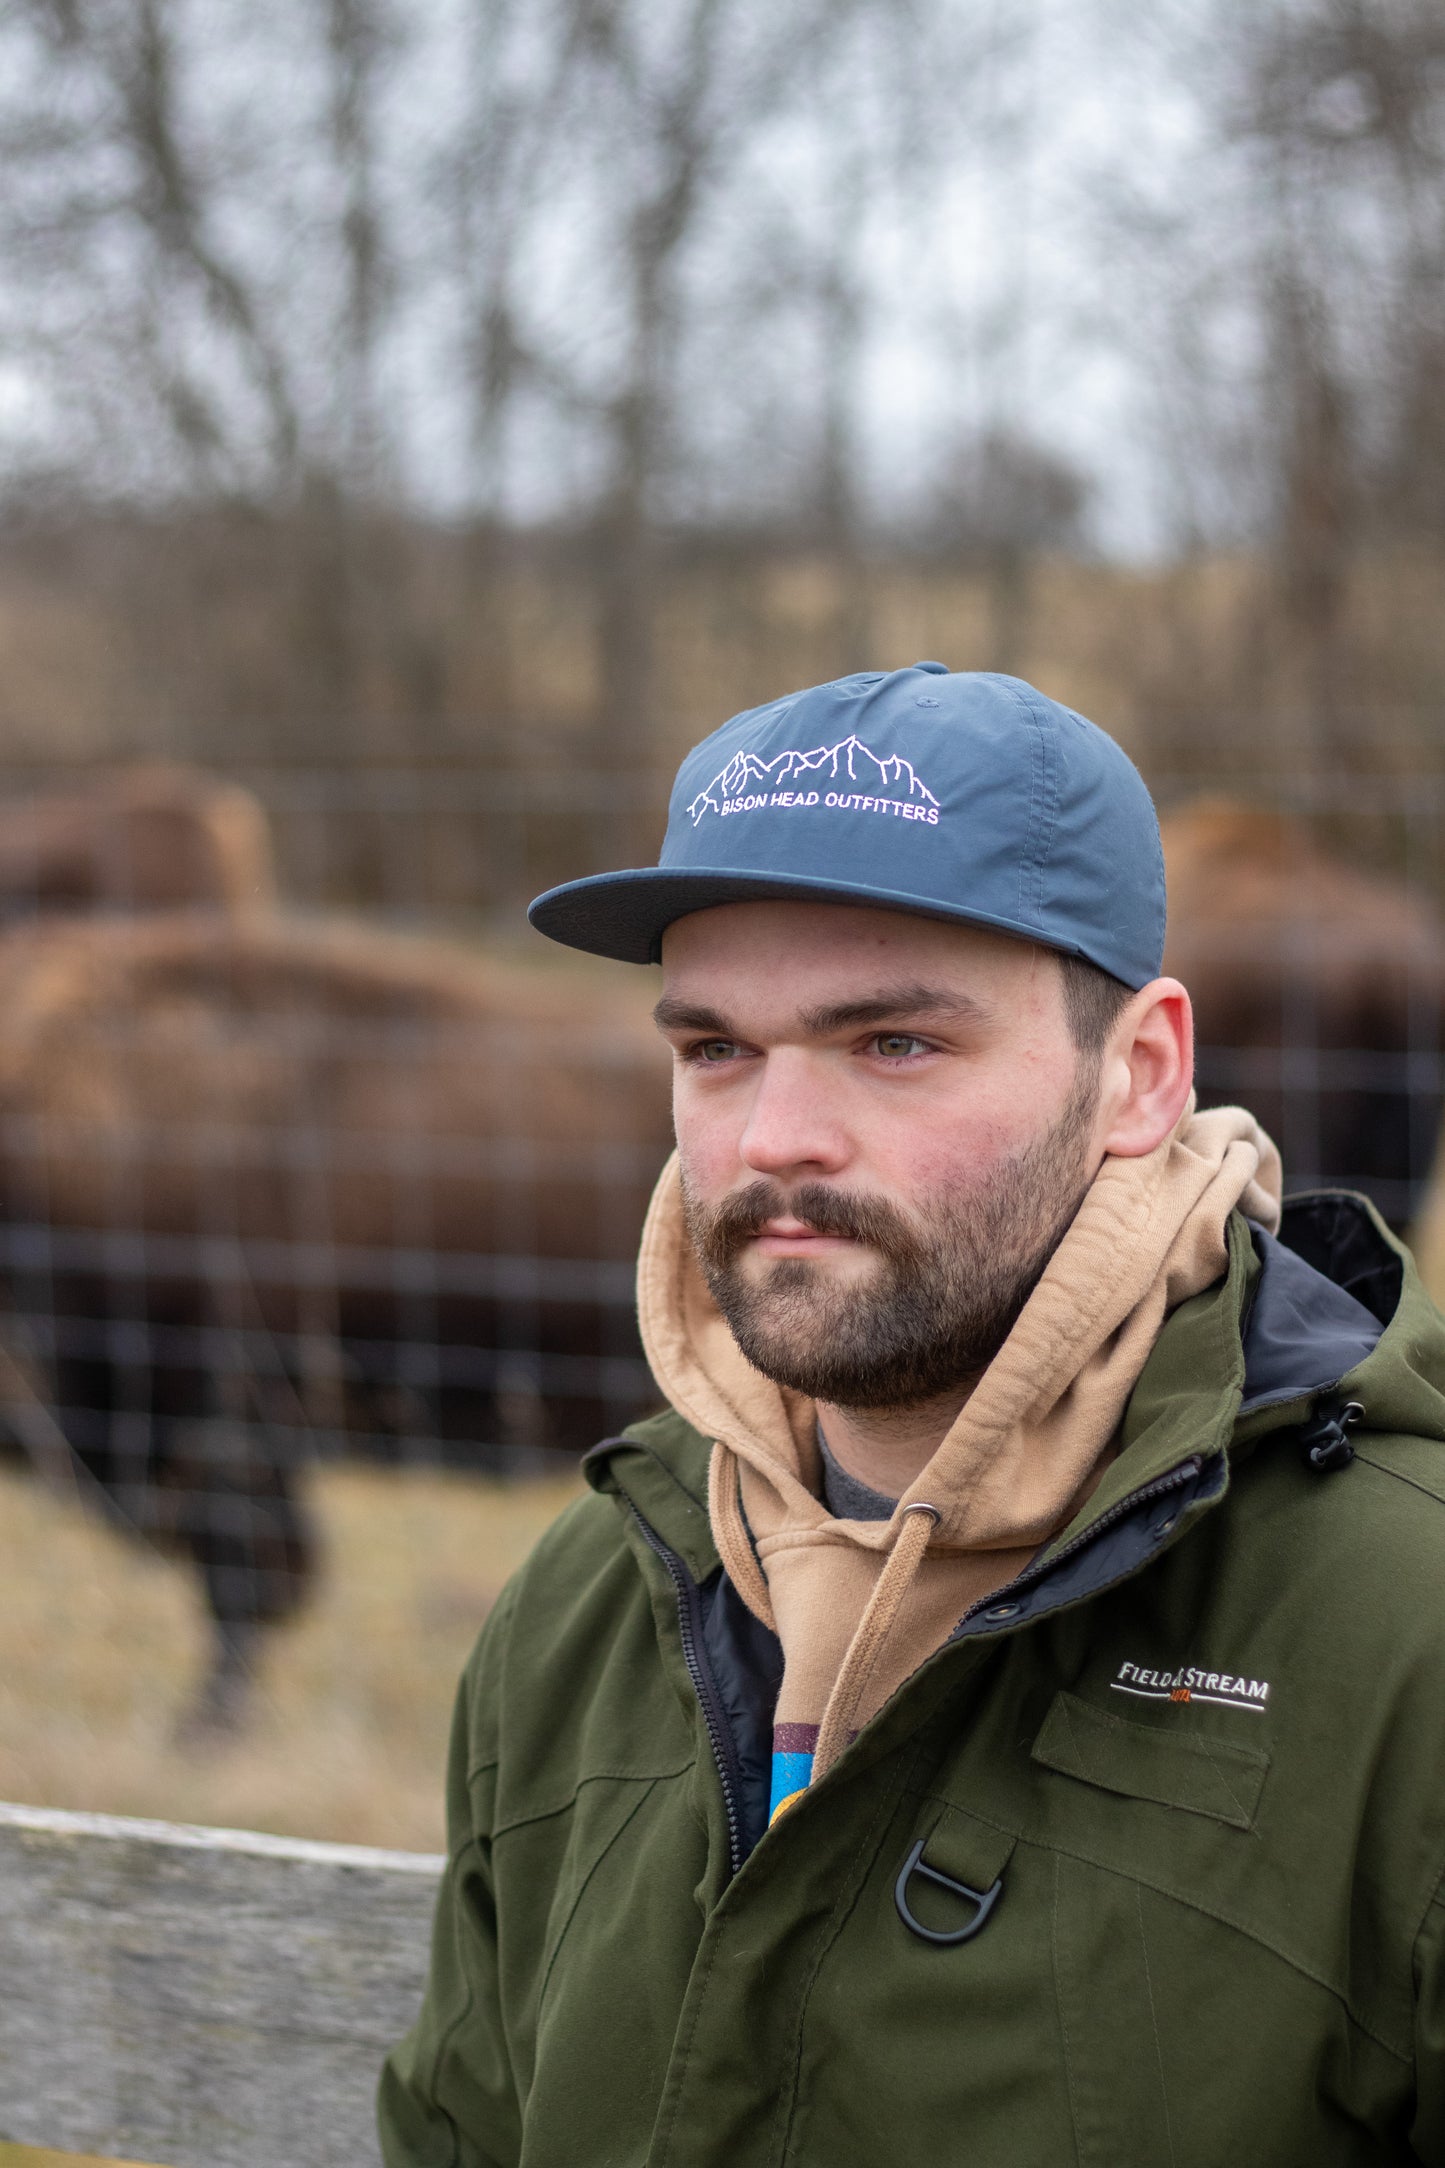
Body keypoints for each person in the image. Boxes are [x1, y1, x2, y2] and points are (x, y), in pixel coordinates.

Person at [379, 666, 1445, 2166]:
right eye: (713, 1050)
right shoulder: (587, 1607)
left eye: (894, 1044)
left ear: (1137, 1075)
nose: (771, 1139)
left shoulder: (1405, 1636)